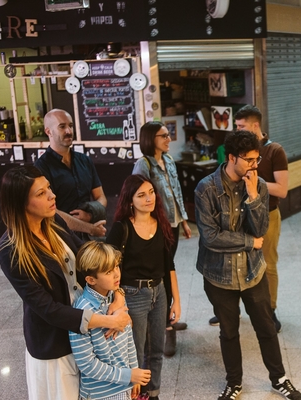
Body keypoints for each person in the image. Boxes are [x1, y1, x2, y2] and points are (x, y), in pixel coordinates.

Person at [0, 166, 130, 400]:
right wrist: (109, 320)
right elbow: (48, 309)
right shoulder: (10, 250)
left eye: (48, 187)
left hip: (88, 335)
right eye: (40, 193)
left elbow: (93, 262)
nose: (52, 195)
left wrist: (118, 295)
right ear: (20, 203)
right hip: (55, 345)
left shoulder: (54, 220)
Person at [195, 131, 301, 400]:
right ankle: (234, 383)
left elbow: (262, 230)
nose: (255, 165)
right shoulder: (206, 189)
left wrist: (253, 195)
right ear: (232, 157)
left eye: (257, 159)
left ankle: (279, 379)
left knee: (266, 327)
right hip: (219, 275)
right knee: (229, 331)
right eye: (250, 160)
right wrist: (248, 242)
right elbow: (210, 238)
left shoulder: (260, 185)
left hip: (253, 272)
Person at [206, 104, 288, 332]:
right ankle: (229, 308)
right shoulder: (235, 153)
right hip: (237, 216)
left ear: (255, 126)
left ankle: (269, 310)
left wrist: (255, 185)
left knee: (267, 263)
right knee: (235, 261)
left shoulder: (275, 151)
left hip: (267, 213)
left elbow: (282, 189)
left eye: (241, 126)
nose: (237, 130)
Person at [106, 174, 181, 400]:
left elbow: (169, 265)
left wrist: (175, 299)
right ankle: (135, 396)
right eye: (141, 195)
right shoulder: (121, 228)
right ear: (130, 200)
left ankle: (153, 393)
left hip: (159, 292)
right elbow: (107, 266)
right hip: (132, 294)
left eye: (151, 193)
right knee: (136, 352)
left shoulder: (161, 224)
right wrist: (118, 297)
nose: (149, 198)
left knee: (156, 350)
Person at [132, 121, 191, 356]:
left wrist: (184, 220)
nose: (168, 139)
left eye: (168, 135)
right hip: (157, 226)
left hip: (173, 223)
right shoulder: (142, 164)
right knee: (164, 272)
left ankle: (169, 319)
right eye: (163, 136)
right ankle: (166, 327)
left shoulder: (168, 159)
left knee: (169, 269)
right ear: (150, 139)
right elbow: (135, 196)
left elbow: (176, 192)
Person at [70, 241, 151, 400]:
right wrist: (129, 375)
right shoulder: (82, 310)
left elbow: (128, 339)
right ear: (91, 279)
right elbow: (87, 365)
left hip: (124, 386)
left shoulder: (116, 297)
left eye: (116, 266)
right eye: (108, 271)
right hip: (101, 394)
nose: (117, 274)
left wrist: (134, 371)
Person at [35, 108, 107, 239]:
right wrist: (89, 228)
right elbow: (51, 212)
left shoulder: (84, 160)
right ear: (48, 131)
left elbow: (101, 197)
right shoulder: (41, 167)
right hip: (61, 238)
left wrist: (90, 214)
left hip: (91, 234)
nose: (68, 131)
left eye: (71, 126)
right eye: (62, 127)